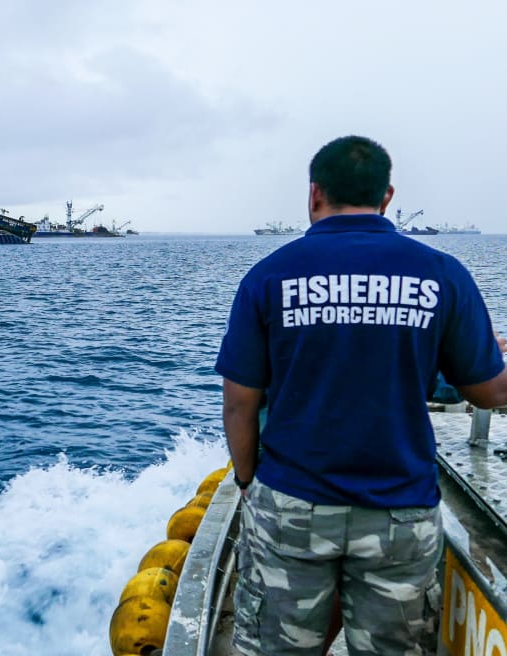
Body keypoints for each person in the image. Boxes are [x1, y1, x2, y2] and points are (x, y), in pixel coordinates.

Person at [215, 135, 507, 656]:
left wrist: (246, 480)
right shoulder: (442, 274)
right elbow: (487, 391)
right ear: (388, 196)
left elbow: (239, 402)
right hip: (400, 511)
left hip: (293, 504)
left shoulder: (267, 277)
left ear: (314, 195)